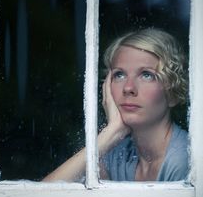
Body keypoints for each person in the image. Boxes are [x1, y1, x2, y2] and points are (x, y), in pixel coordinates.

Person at [42, 28, 189, 182]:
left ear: (173, 93)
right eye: (119, 75)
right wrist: (111, 133)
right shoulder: (118, 154)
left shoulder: (187, 160)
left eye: (147, 75)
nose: (128, 88)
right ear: (107, 87)